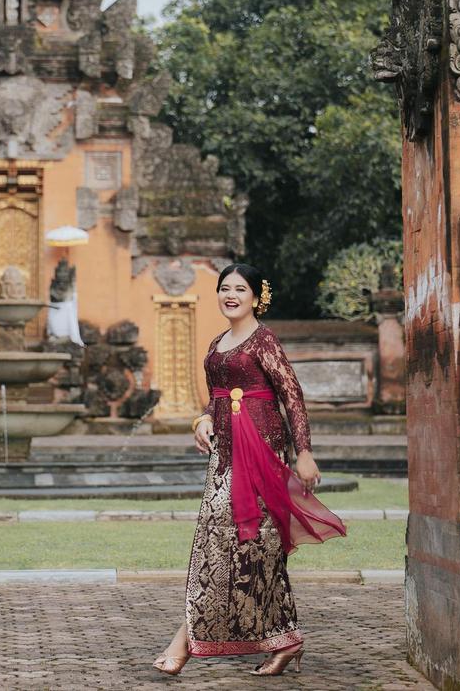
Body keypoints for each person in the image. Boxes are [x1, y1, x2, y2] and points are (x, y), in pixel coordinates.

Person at [153, 263, 347, 678]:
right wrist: (202, 420)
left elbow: (292, 396)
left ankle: (181, 643)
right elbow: (214, 398)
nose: (231, 295)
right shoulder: (218, 341)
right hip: (224, 454)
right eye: (225, 288)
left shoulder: (264, 340)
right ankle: (286, 639)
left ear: (257, 297)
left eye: (240, 289)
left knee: (240, 547)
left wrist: (305, 453)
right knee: (240, 549)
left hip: (262, 453)